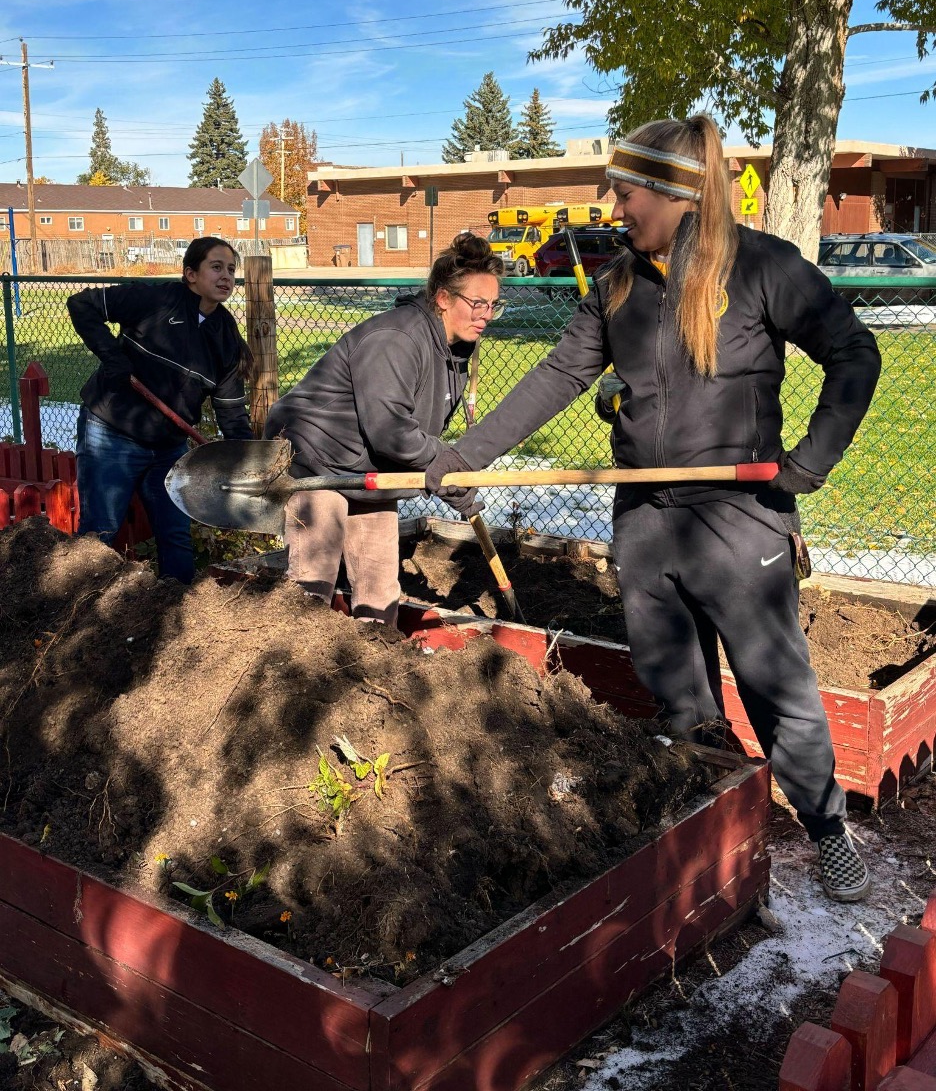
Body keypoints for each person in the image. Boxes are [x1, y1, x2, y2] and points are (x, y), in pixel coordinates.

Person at [425, 115, 882, 904]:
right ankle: (711, 822)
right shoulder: (618, 285)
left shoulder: (764, 268)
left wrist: (811, 460)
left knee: (778, 688)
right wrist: (469, 454)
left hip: (739, 521)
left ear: (672, 191)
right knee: (677, 690)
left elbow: (855, 351)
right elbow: (557, 376)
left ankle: (827, 828)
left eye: (625, 190)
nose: (614, 206)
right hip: (644, 520)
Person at [264, 232, 504, 627]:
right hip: (318, 463)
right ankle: (298, 672)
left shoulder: (454, 351)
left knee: (379, 585)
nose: (487, 315)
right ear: (443, 299)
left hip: (369, 470)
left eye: (494, 305)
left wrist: (449, 477)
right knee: (313, 581)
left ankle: (376, 662)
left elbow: (414, 433)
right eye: (477, 303)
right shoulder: (397, 338)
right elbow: (390, 430)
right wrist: (445, 467)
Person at [67, 237, 253, 583]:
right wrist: (113, 357)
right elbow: (81, 304)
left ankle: (176, 610)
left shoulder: (226, 337)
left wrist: (245, 460)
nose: (226, 276)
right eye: (216, 267)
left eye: (231, 270)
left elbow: (231, 412)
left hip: (168, 448)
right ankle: (82, 609)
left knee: (175, 535)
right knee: (101, 530)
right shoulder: (156, 299)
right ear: (190, 274)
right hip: (111, 430)